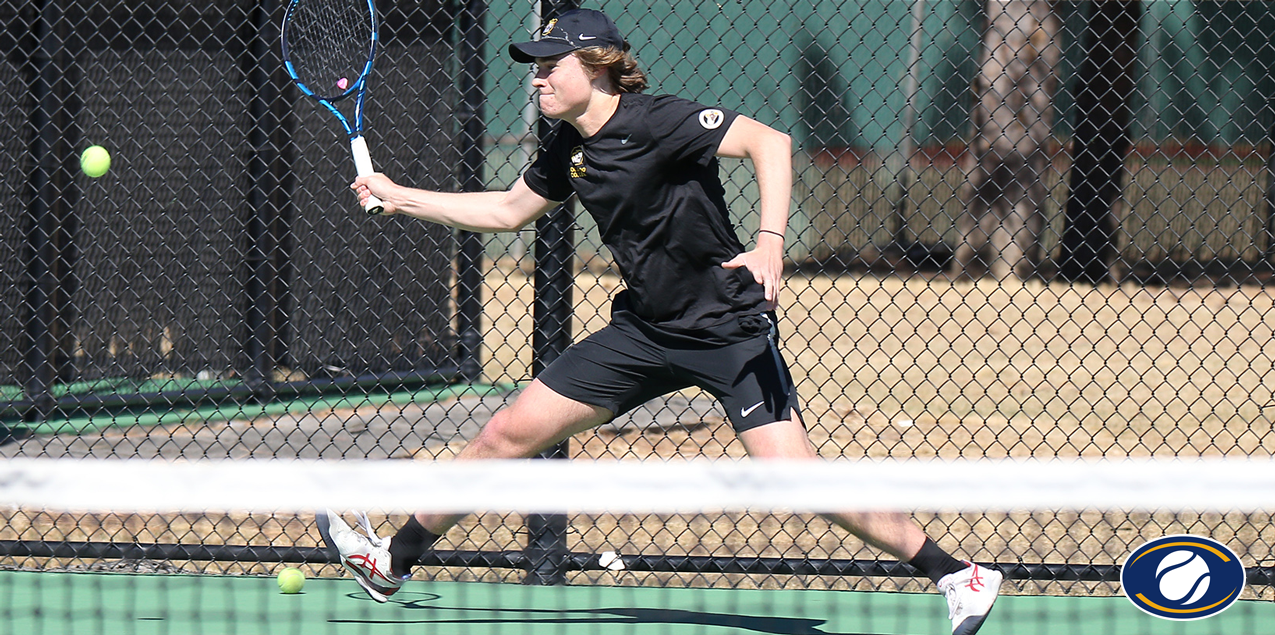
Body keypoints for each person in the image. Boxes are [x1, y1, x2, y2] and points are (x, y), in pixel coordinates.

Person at [319, 9, 1001, 634]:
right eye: (534, 68)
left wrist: (769, 239)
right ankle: (392, 562)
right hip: (642, 333)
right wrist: (397, 196)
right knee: (504, 432)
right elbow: (505, 211)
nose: (537, 81)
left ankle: (959, 575)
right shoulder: (566, 148)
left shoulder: (659, 120)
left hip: (727, 332)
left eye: (549, 66)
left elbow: (771, 142)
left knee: (795, 478)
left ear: (596, 66)